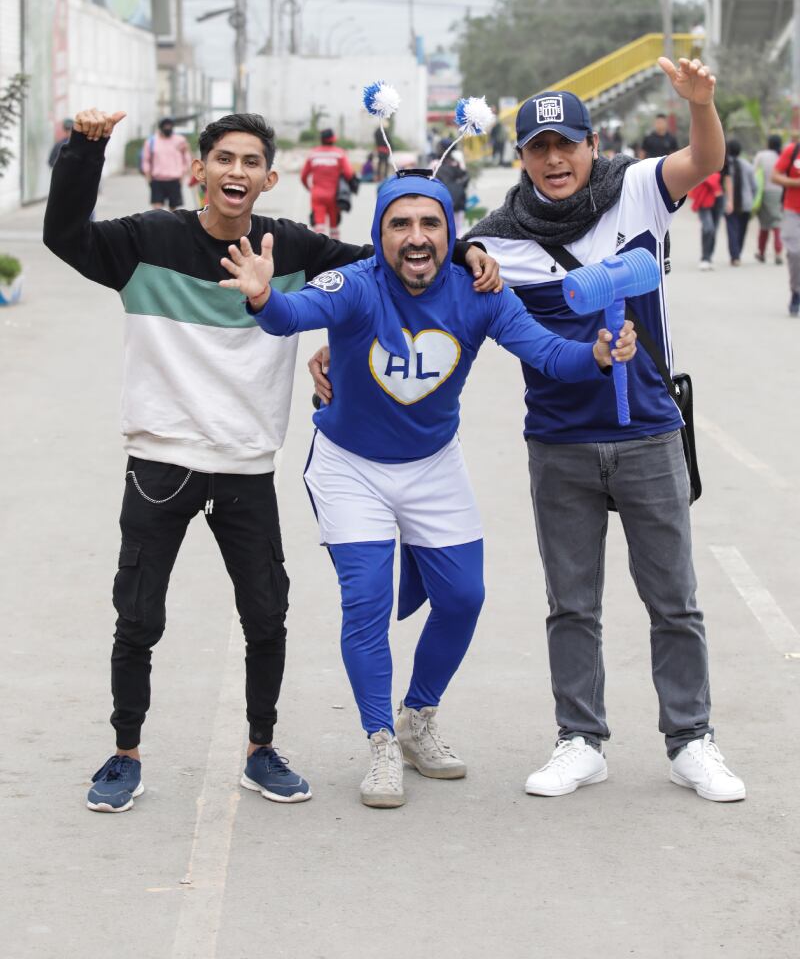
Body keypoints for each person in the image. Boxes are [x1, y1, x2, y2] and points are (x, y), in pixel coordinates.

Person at [43, 106, 504, 814]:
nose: (236, 171)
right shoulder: (146, 240)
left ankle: (262, 749)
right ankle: (124, 752)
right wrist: (85, 149)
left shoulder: (287, 247)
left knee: (266, 616)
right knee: (138, 615)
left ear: (269, 176)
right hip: (161, 460)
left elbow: (394, 256)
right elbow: (63, 235)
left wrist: (467, 246)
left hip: (248, 464)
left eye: (250, 161)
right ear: (198, 170)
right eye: (223, 158)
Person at [222, 174, 636, 809]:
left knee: (464, 596)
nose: (416, 239)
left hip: (433, 465)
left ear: (451, 232)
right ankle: (382, 740)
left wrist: (600, 356)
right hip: (349, 467)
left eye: (430, 225)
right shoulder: (357, 284)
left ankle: (418, 718)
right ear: (379, 232)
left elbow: (551, 355)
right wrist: (261, 299)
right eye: (399, 225)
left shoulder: (482, 293)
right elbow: (292, 315)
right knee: (366, 603)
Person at [460, 58, 745, 802]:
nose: (555, 160)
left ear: (593, 146)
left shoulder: (640, 193)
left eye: (568, 144)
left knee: (674, 601)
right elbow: (417, 285)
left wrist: (700, 107)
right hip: (559, 444)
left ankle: (692, 740)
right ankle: (579, 740)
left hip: (650, 433)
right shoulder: (497, 245)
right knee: (572, 604)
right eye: (538, 148)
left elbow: (707, 161)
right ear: (519, 158)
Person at [301, 127, 357, 239]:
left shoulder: (313, 154)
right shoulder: (339, 154)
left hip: (317, 194)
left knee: (319, 225)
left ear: (321, 139)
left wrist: (310, 188)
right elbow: (349, 173)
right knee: (334, 225)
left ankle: (318, 250)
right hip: (334, 195)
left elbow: (303, 176)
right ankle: (336, 250)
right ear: (333, 140)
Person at [771, 135, 800, 316]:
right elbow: (775, 176)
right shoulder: (792, 151)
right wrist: (795, 183)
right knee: (795, 252)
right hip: (792, 210)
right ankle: (796, 291)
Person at [141, 117, 192, 210]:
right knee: (157, 211)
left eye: (170, 126)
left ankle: (171, 225)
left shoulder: (180, 140)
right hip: (157, 180)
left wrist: (183, 175)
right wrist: (148, 177)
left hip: (175, 180)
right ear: (161, 127)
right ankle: (158, 225)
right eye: (165, 126)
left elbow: (187, 158)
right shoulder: (151, 141)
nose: (168, 128)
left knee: (173, 211)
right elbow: (146, 160)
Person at [722, 138, 757, 266]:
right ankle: (737, 253)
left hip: (729, 203)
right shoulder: (747, 165)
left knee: (732, 230)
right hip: (746, 204)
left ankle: (735, 256)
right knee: (742, 230)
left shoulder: (724, 165)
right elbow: (754, 186)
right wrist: (751, 198)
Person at [752, 134, 784, 264]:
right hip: (780, 192)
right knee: (777, 223)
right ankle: (778, 252)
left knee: (764, 225)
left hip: (764, 192)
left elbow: (753, 172)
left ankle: (761, 252)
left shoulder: (761, 155)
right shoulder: (782, 155)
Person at [688, 169, 724, 270]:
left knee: (713, 231)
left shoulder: (722, 164)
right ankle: (705, 258)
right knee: (708, 228)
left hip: (718, 200)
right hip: (704, 200)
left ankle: (709, 257)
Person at [436, 148, 470, 234]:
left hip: (445, 200)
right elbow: (466, 177)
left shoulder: (438, 169)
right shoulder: (457, 168)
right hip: (458, 200)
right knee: (458, 226)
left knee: (446, 225)